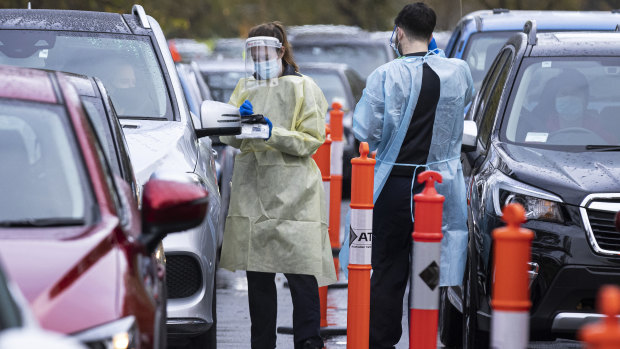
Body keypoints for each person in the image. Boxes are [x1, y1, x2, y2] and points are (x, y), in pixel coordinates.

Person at [350, 3, 474, 347]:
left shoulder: (385, 75)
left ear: (399, 32)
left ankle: (382, 340)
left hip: (395, 185)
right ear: (432, 34)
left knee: (387, 270)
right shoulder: (457, 71)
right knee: (430, 269)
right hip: (439, 190)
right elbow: (466, 99)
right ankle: (423, 338)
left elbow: (365, 129)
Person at [218, 22, 337, 349]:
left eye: (263, 51)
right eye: (252, 53)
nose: (257, 58)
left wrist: (274, 132)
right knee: (258, 281)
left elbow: (312, 140)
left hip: (295, 196)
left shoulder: (304, 88)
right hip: (254, 194)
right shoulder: (245, 87)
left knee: (301, 278)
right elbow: (228, 137)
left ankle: (309, 343)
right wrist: (236, 124)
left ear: (280, 50)